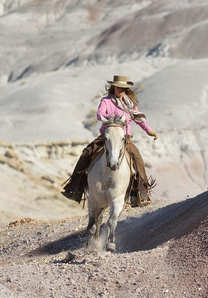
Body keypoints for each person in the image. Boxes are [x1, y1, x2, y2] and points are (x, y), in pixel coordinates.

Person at [61, 74, 158, 207]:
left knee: (138, 160)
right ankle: (75, 188)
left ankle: (140, 193)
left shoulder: (130, 104)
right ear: (113, 87)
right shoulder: (106, 101)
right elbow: (99, 115)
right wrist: (114, 118)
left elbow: (139, 119)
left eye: (124, 88)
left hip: (125, 139)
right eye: (119, 87)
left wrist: (149, 130)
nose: (121, 90)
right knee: (86, 153)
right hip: (106, 136)